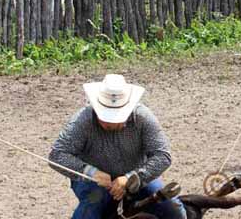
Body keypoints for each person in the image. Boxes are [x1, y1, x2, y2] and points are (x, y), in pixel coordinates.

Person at [49, 74, 186, 219]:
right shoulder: (82, 120)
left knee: (172, 208)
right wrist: (91, 173)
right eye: (106, 117)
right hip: (93, 184)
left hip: (138, 177)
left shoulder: (143, 118)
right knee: (92, 203)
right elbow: (57, 155)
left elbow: (163, 156)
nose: (111, 123)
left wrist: (131, 178)